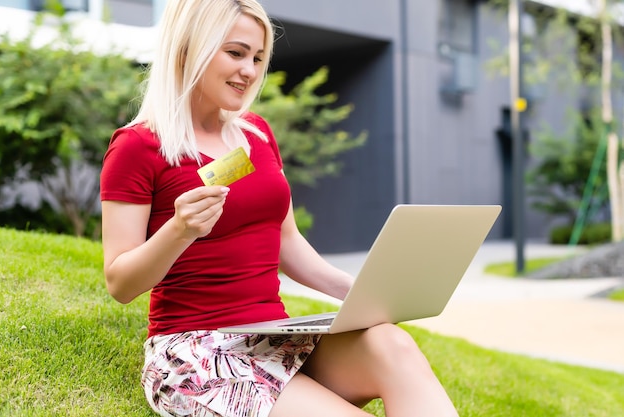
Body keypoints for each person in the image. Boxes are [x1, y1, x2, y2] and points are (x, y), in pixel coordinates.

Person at [99, 1, 459, 416]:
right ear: (188, 48)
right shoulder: (137, 147)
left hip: (274, 338)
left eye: (256, 58)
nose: (249, 71)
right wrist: (179, 229)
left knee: (390, 342)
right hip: (197, 350)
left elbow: (287, 242)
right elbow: (119, 283)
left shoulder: (258, 134)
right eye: (235, 53)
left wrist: (363, 295)